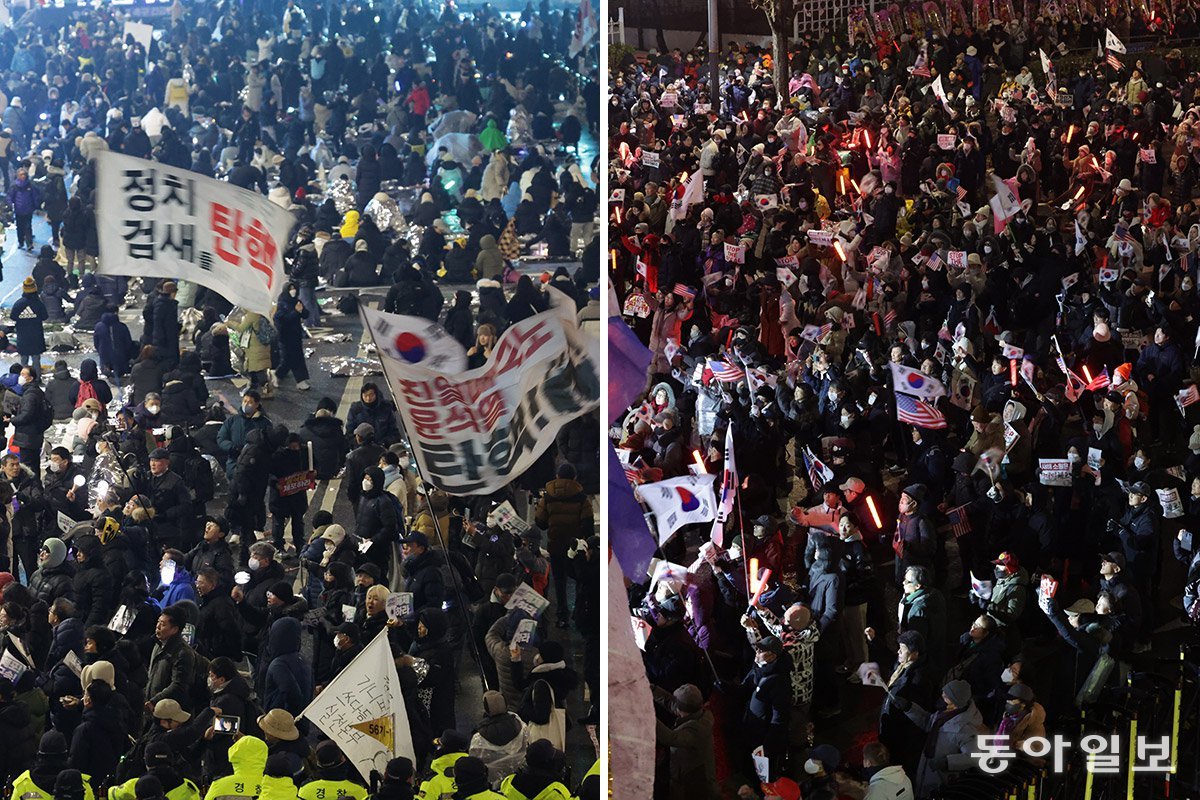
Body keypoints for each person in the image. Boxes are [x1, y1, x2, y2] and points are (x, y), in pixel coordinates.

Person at [534, 463, 593, 627]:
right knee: (580, 578)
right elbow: (588, 525)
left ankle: (562, 616)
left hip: (556, 546)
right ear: (574, 477)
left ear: (557, 476)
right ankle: (582, 612)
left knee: (559, 581)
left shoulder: (548, 497)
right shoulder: (582, 498)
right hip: (576, 548)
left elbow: (541, 523)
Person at [653, 684, 716, 800]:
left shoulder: (698, 729)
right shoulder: (696, 713)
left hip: (694, 779)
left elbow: (671, 738)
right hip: (685, 771)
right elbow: (669, 702)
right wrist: (649, 688)